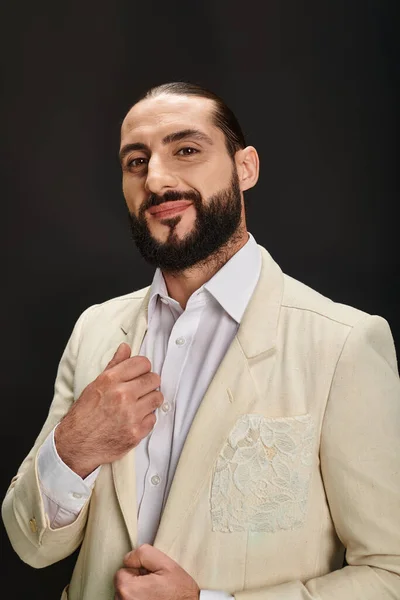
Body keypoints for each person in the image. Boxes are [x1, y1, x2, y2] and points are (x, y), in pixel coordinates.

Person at [2, 82, 400, 600]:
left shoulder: (344, 344)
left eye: (186, 150)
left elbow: (390, 572)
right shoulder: (96, 330)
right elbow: (30, 545)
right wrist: (74, 447)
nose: (157, 179)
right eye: (136, 162)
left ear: (245, 168)